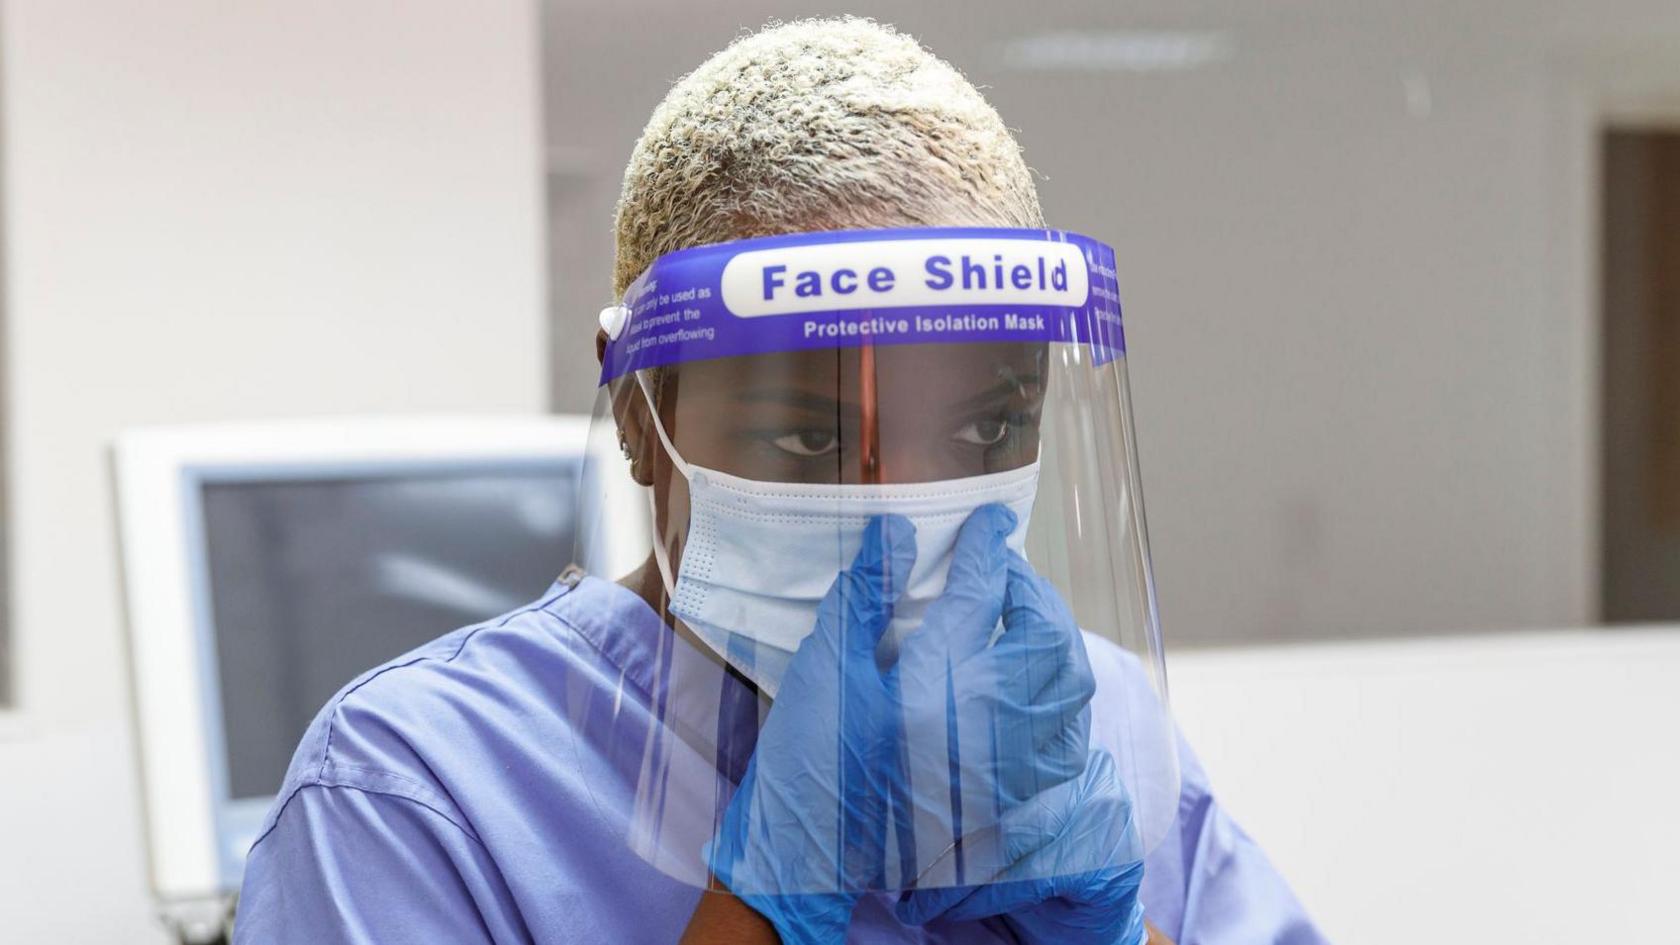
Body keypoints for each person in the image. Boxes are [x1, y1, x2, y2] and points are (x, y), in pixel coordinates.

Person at [233, 17, 1327, 945]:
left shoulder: (1087, 729)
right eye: (808, 439)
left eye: (989, 423)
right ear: (638, 421)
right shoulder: (415, 796)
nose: (908, 501)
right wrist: (766, 900)